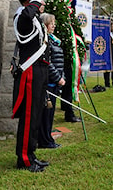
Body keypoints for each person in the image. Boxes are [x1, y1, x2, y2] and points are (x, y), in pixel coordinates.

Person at [12, 0, 50, 173]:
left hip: (39, 71)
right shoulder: (22, 17)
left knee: (35, 115)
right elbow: (27, 18)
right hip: (30, 72)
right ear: (31, 2)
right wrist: (36, 1)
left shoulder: (35, 18)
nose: (42, 5)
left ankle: (31, 154)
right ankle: (24, 159)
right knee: (28, 116)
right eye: (39, 2)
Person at [38, 13, 65, 149]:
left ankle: (48, 137)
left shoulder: (54, 40)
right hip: (49, 81)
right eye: (51, 23)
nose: (54, 25)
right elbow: (48, 63)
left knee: (50, 114)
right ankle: (45, 140)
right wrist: (57, 78)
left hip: (56, 81)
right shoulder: (44, 40)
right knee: (45, 115)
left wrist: (62, 76)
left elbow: (59, 61)